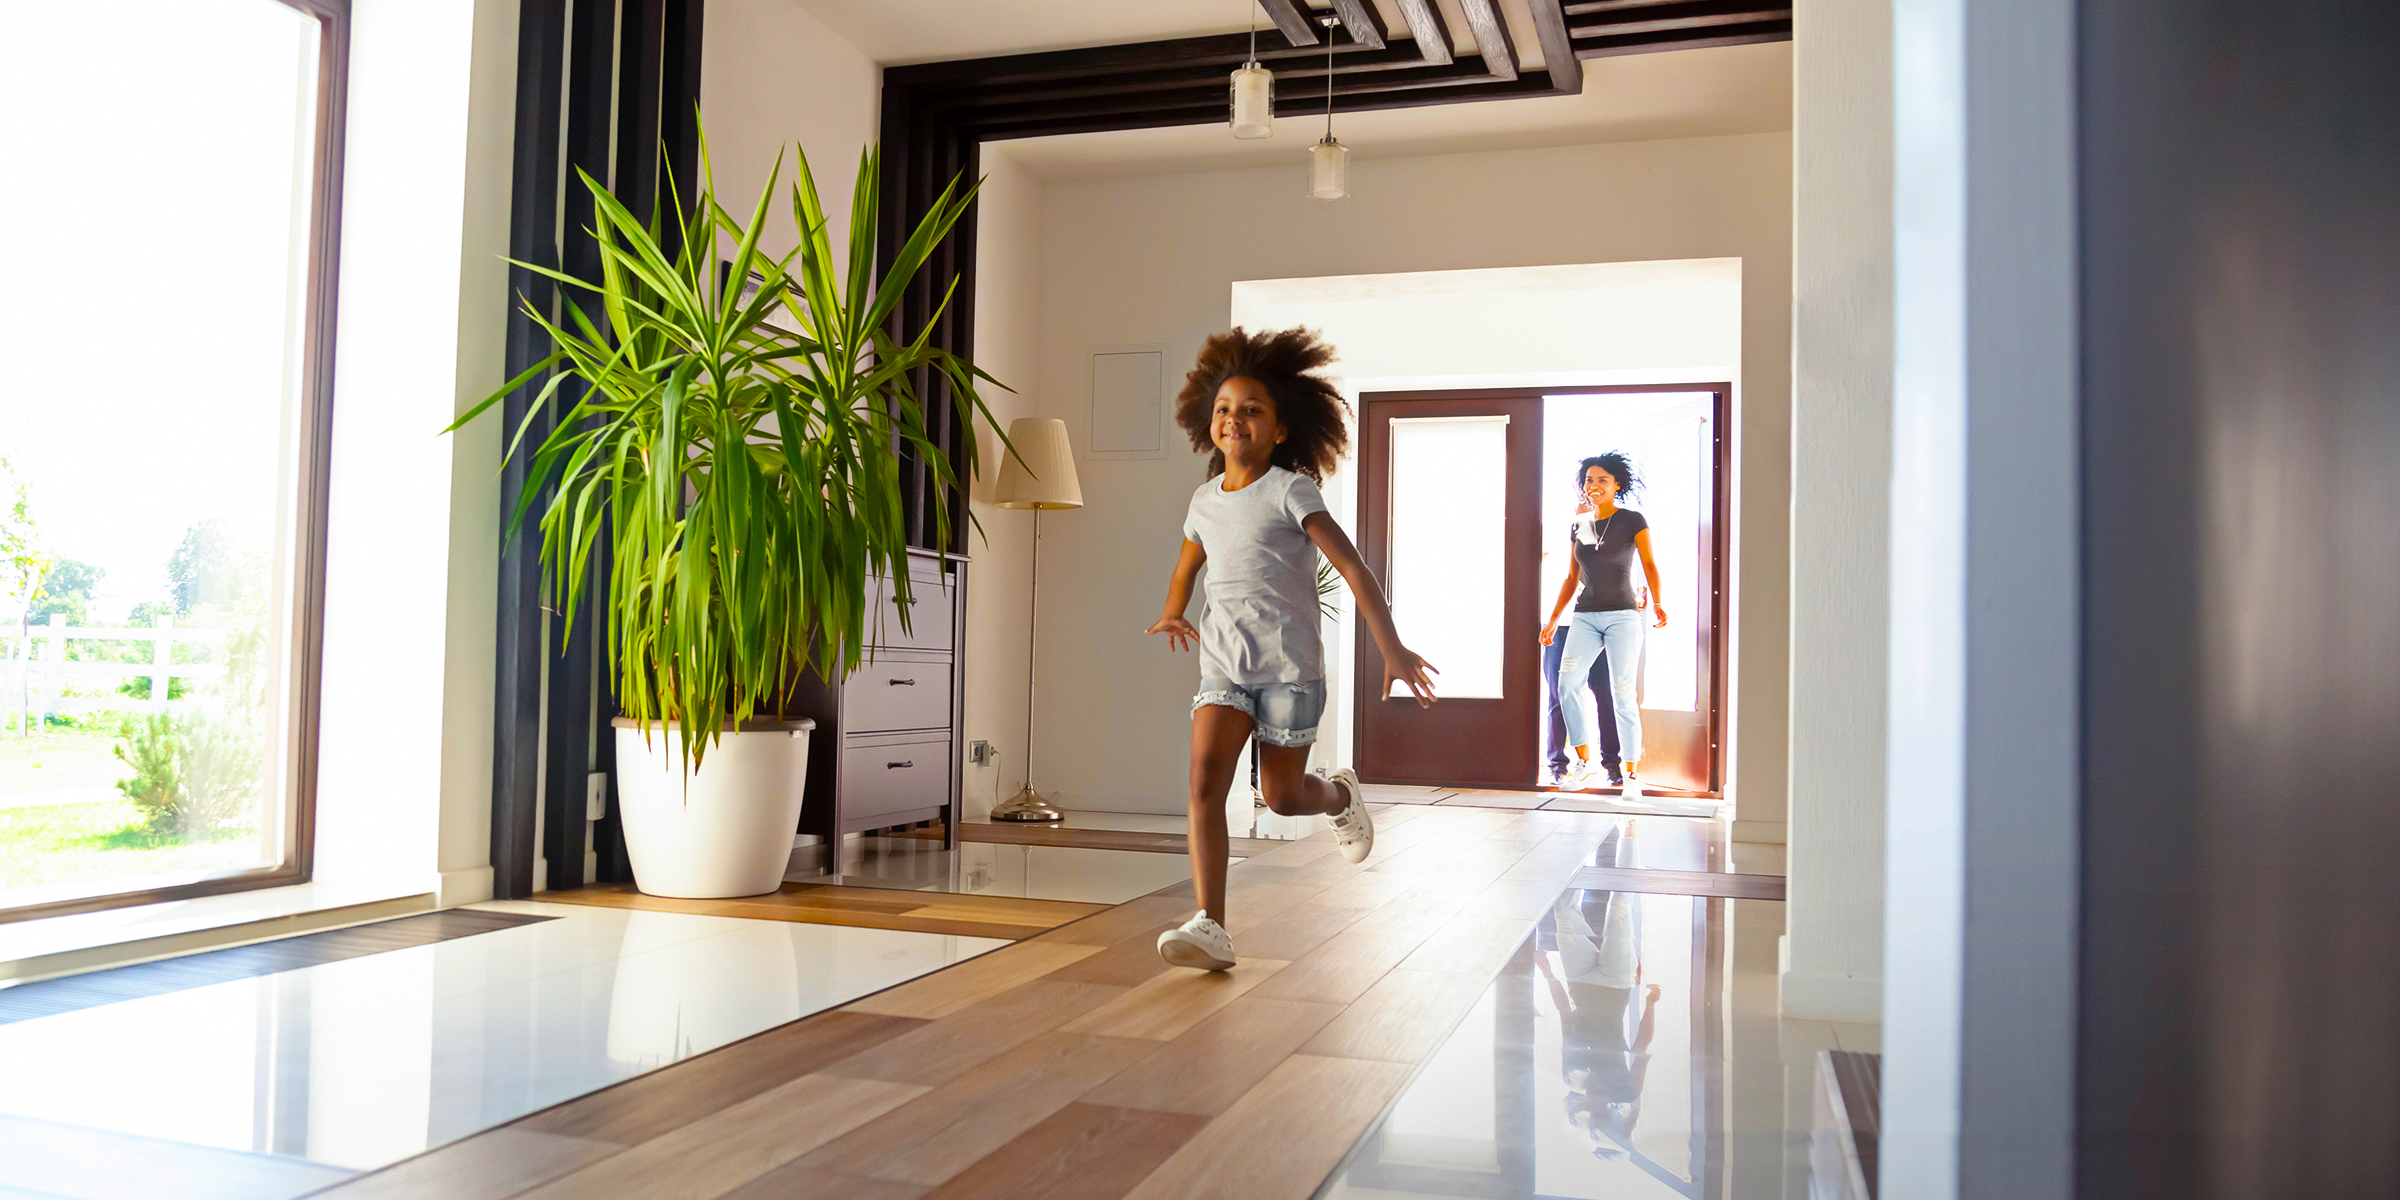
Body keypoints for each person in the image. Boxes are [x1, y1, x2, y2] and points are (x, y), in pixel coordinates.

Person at [1146, 327, 1439, 971]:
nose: (1235, 418)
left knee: (1280, 796)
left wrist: (1389, 648)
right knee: (1202, 784)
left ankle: (1338, 796)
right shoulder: (1202, 500)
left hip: (1290, 671)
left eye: (1252, 409)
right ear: (1209, 422)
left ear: (1280, 429)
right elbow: (1186, 567)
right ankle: (1211, 925)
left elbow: (1355, 568)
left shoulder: (1290, 489)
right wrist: (1172, 612)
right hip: (1225, 665)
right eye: (1225, 408)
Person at [1539, 453, 1667, 800]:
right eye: (1589, 480)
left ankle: (1630, 775)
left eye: (1602, 480)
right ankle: (1583, 764)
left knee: (1622, 693)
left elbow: (1650, 564)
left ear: (1616, 485)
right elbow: (1571, 577)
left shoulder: (1631, 520)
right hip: (1584, 616)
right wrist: (1552, 620)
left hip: (1623, 616)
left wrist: (1657, 601)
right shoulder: (1578, 525)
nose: (1593, 486)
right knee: (1566, 685)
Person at [1545, 499, 1622, 787]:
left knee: (1604, 692)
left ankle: (1611, 763)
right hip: (1559, 624)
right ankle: (1558, 764)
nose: (1588, 498)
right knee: (1558, 693)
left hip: (1595, 621)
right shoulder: (1554, 530)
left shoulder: (1604, 531)